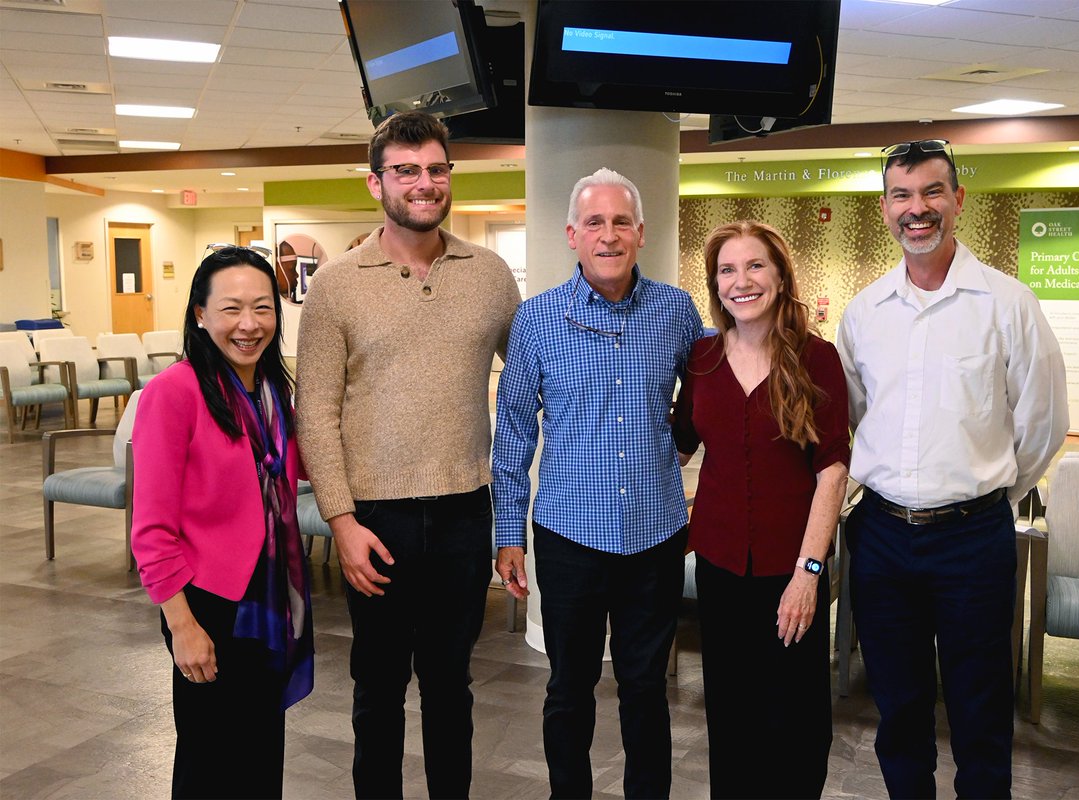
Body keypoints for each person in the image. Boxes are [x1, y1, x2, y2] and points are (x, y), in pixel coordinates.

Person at [295, 110, 520, 799]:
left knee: (452, 685)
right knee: (379, 689)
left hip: (461, 512)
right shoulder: (336, 284)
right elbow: (316, 411)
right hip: (375, 520)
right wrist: (341, 520)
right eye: (406, 171)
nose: (424, 184)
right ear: (376, 182)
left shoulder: (489, 273)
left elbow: (539, 373)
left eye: (435, 169)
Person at [836, 139, 1068, 799]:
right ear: (884, 208)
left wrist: (984, 495)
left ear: (958, 200)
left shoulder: (1008, 305)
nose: (918, 209)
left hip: (973, 541)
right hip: (880, 538)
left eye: (932, 192)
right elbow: (856, 416)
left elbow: (1043, 423)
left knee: (980, 709)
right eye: (903, 195)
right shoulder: (864, 313)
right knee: (899, 709)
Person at [492, 166, 703, 799]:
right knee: (569, 686)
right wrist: (508, 533)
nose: (607, 235)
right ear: (571, 235)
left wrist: (675, 444)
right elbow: (513, 437)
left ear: (640, 232)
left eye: (619, 222)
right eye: (594, 222)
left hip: (654, 536)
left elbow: (705, 399)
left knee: (646, 688)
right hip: (567, 536)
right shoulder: (535, 320)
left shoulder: (676, 310)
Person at [673, 220, 850, 799]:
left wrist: (810, 573)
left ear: (779, 276)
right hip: (721, 567)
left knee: (795, 720)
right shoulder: (699, 359)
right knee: (730, 717)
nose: (740, 281)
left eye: (754, 267)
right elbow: (674, 446)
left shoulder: (816, 359)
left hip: (791, 571)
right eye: (727, 269)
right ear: (714, 283)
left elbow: (832, 471)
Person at [131, 244, 313, 800]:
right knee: (209, 761)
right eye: (231, 308)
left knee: (260, 753)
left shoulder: (271, 389)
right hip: (207, 601)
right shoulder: (174, 392)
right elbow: (151, 529)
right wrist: (182, 627)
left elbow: (298, 466)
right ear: (200, 314)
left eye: (263, 308)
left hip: (265, 594)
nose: (249, 324)